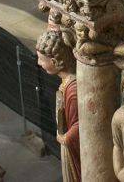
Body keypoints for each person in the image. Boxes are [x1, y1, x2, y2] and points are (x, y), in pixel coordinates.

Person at [37, 30, 81, 181]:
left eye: (41, 59)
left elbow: (80, 124)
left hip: (73, 145)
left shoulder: (73, 88)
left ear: (55, 62)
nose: (38, 63)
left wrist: (66, 138)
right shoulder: (67, 83)